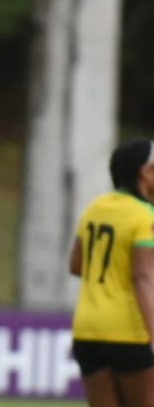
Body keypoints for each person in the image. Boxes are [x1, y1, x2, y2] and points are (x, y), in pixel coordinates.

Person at [69, 138, 154, 407]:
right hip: (130, 331)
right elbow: (143, 278)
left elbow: (76, 264)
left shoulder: (96, 207)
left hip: (88, 330)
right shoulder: (146, 216)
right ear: (145, 172)